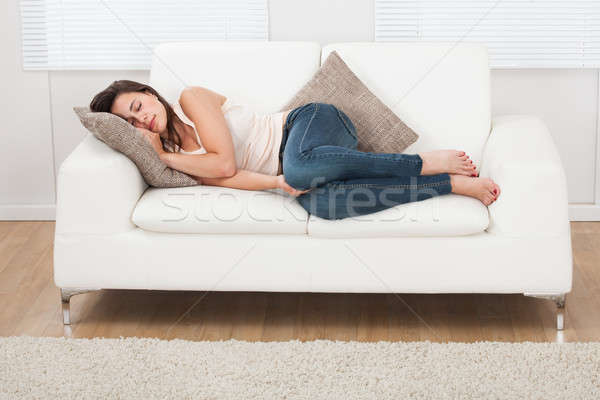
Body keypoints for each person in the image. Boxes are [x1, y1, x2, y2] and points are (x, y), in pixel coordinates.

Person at [90, 79, 500, 220]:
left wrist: (160, 156)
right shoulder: (180, 164)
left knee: (301, 169)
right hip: (309, 166)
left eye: (137, 107)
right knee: (321, 207)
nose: (141, 120)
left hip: (309, 125)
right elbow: (231, 177)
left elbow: (226, 162)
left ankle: (421, 161)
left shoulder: (191, 98)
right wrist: (276, 183)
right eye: (131, 123)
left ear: (148, 94)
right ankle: (446, 184)